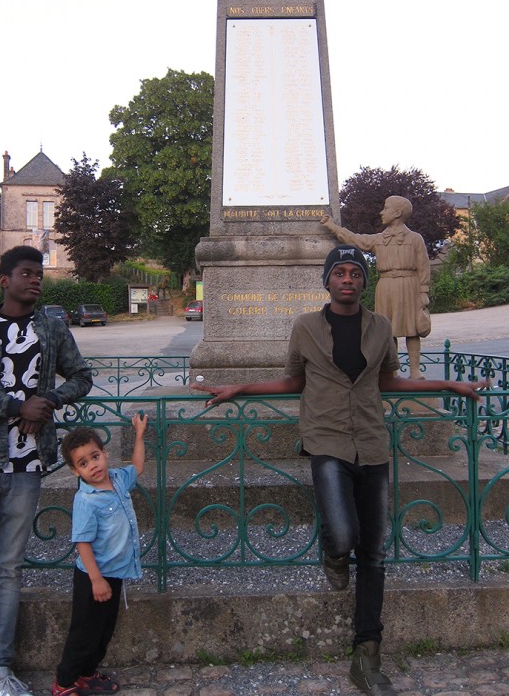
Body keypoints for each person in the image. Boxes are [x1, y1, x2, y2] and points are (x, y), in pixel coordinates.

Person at [193, 244, 485, 696]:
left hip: (372, 443)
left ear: (363, 282)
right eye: (340, 273)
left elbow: (388, 380)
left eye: (355, 273)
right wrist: (241, 387)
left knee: (373, 553)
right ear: (326, 281)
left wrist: (446, 382)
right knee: (345, 536)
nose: (347, 279)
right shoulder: (306, 327)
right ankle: (332, 550)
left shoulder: (380, 326)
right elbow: (294, 381)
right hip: (327, 441)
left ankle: (366, 655)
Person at [0, 246, 93, 696]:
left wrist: (45, 404)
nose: (36, 280)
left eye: (39, 274)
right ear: (4, 279)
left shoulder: (51, 328)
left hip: (28, 464)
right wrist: (14, 405)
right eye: (27, 273)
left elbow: (81, 377)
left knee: (8, 567)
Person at [52, 416, 148, 695]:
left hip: (115, 573)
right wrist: (96, 580)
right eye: (83, 463)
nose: (92, 465)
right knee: (84, 632)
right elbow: (82, 542)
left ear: (105, 454)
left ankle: (86, 673)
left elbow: (138, 467)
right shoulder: (86, 500)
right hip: (93, 576)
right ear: (75, 471)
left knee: (103, 630)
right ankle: (64, 682)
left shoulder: (117, 479)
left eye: (95, 456)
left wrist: (139, 434)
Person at [321, 196, 431, 379]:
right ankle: (391, 372)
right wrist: (332, 227)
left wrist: (424, 291)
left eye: (385, 208)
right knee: (388, 329)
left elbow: (424, 266)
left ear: (397, 213)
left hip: (409, 284)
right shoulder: (380, 240)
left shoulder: (415, 239)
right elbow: (355, 240)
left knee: (413, 328)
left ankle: (415, 371)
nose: (382, 212)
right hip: (386, 286)